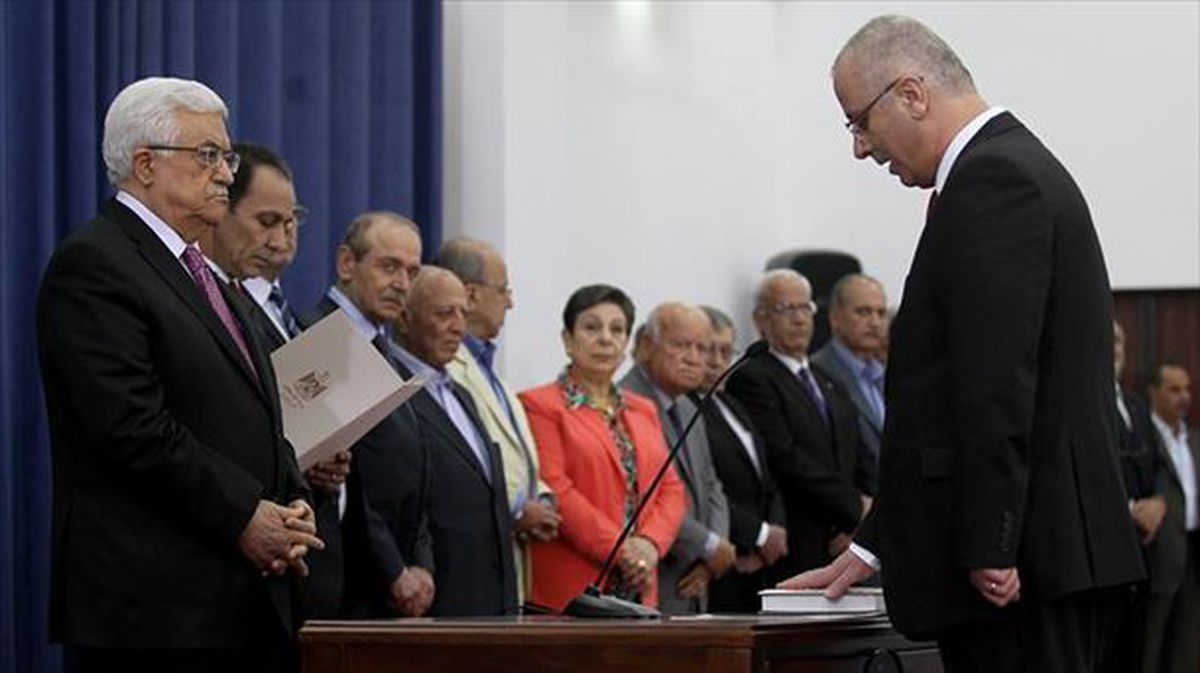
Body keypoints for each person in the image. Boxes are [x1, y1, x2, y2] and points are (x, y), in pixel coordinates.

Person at [782, 15, 1144, 673]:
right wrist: (871, 544)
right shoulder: (1010, 167)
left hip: (1019, 571)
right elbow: (946, 407)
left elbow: (996, 381)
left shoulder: (994, 179)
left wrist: (991, 543)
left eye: (859, 121)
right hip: (1037, 559)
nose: (860, 148)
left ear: (913, 94)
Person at [37, 77, 321, 672]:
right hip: (157, 614)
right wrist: (246, 513)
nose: (225, 173)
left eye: (227, 156)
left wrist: (290, 496)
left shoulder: (210, 274)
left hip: (241, 601)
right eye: (208, 155)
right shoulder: (95, 264)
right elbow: (130, 428)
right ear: (145, 164)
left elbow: (254, 414)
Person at [519, 285, 687, 612]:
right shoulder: (540, 405)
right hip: (573, 586)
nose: (605, 338)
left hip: (638, 586)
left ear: (626, 344)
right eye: (591, 327)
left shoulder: (643, 409)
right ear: (568, 340)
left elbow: (671, 489)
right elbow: (556, 487)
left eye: (617, 329)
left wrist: (650, 546)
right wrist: (624, 551)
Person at [303, 211, 435, 618]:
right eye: (389, 266)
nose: (401, 284)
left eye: (411, 272)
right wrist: (394, 570)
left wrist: (423, 564)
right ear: (347, 263)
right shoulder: (315, 338)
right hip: (345, 585)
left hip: (394, 592)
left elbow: (411, 469)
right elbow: (347, 478)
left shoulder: (388, 352)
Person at [437, 237, 561, 606]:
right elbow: (459, 465)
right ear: (471, 295)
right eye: (504, 290)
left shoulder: (495, 375)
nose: (511, 302)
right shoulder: (444, 367)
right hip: (468, 560)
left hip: (510, 557)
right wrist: (517, 509)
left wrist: (542, 497)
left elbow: (518, 461)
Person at [726, 269, 872, 581]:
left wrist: (862, 525)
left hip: (848, 541)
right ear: (759, 320)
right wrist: (853, 506)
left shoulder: (827, 380)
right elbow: (785, 458)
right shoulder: (754, 378)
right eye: (786, 309)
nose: (799, 318)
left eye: (805, 307)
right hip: (798, 541)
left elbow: (858, 452)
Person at [391, 266, 518, 616]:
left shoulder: (461, 393)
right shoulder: (389, 392)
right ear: (404, 318)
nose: (459, 327)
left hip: (493, 599)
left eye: (463, 312)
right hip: (436, 597)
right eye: (445, 313)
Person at [621, 302, 734, 614]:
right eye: (682, 345)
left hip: (696, 579)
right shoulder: (625, 403)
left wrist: (714, 553)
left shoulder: (687, 405)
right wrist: (708, 546)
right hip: (651, 575)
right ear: (646, 346)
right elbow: (648, 495)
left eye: (702, 348)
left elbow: (712, 485)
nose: (694, 358)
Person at [696, 305, 788, 612]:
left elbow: (767, 478)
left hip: (760, 559)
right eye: (708, 349)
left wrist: (772, 532)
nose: (716, 361)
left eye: (725, 351)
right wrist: (757, 535)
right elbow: (707, 488)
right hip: (725, 554)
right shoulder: (687, 410)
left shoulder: (731, 402)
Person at [1143, 363, 1200, 673]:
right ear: (1154, 391)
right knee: (1150, 646)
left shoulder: (1193, 439)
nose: (1184, 397)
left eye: (1188, 389)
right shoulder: (1144, 436)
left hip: (1193, 553)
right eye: (1175, 389)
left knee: (1188, 644)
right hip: (1159, 556)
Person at [811, 274, 888, 495]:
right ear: (835, 318)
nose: (874, 322)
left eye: (880, 313)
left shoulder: (890, 374)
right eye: (863, 312)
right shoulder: (818, 373)